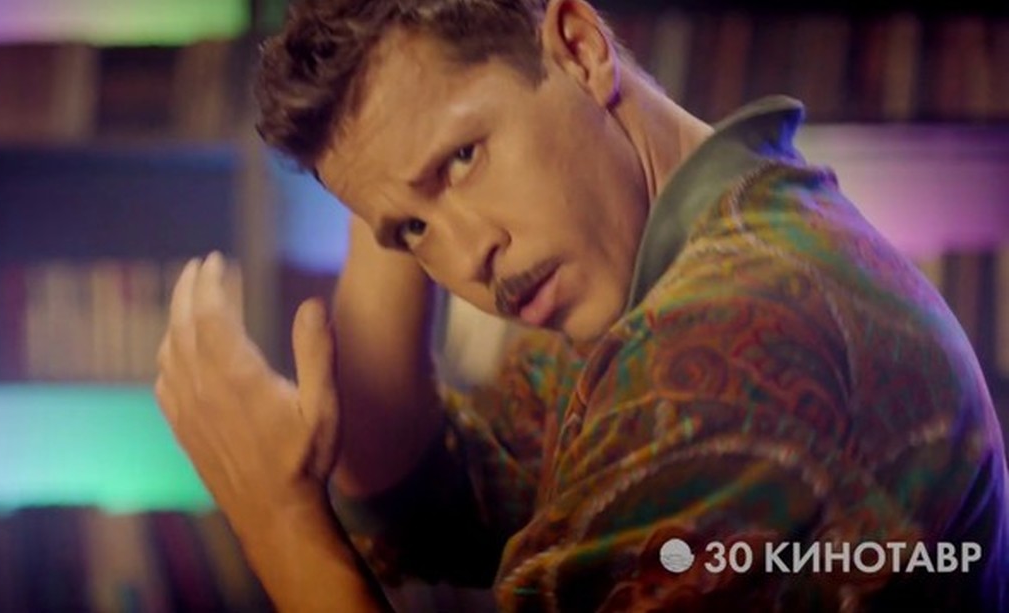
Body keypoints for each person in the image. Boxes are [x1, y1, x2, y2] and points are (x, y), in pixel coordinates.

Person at [153, 0, 1009, 610]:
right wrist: (385, 156)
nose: (467, 256)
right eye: (412, 229)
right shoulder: (683, 272)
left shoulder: (727, 337)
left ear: (579, 47)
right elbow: (427, 503)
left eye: (463, 158)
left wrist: (276, 519)